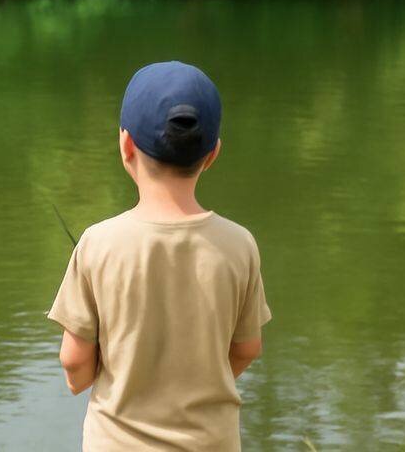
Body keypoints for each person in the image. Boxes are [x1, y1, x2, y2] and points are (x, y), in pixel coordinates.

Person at [48, 61, 271, 451]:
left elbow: (74, 363)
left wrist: (90, 377)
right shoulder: (239, 244)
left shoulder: (98, 243)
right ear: (213, 153)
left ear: (126, 145)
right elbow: (247, 347)